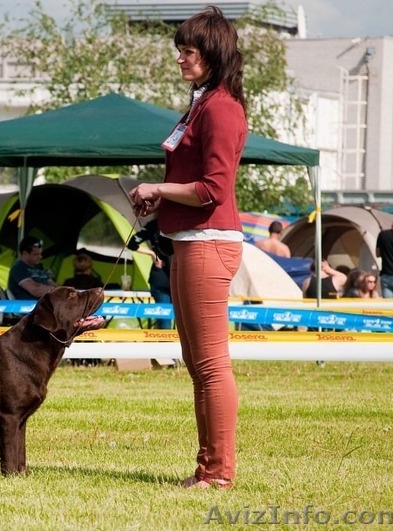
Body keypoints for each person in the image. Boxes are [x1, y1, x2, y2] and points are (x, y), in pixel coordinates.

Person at [127, 6, 247, 490]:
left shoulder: (220, 108)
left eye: (189, 50)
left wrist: (158, 189)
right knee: (199, 366)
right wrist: (158, 204)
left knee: (211, 367)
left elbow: (213, 189)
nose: (180, 57)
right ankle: (207, 468)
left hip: (208, 243)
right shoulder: (202, 104)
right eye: (179, 49)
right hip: (188, 240)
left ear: (212, 54)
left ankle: (218, 474)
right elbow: (190, 184)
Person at [127, 218, 173, 329]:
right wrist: (152, 254)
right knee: (165, 322)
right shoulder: (154, 224)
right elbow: (132, 243)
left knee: (185, 322)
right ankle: (164, 345)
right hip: (161, 280)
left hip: (182, 279)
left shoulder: (184, 221)